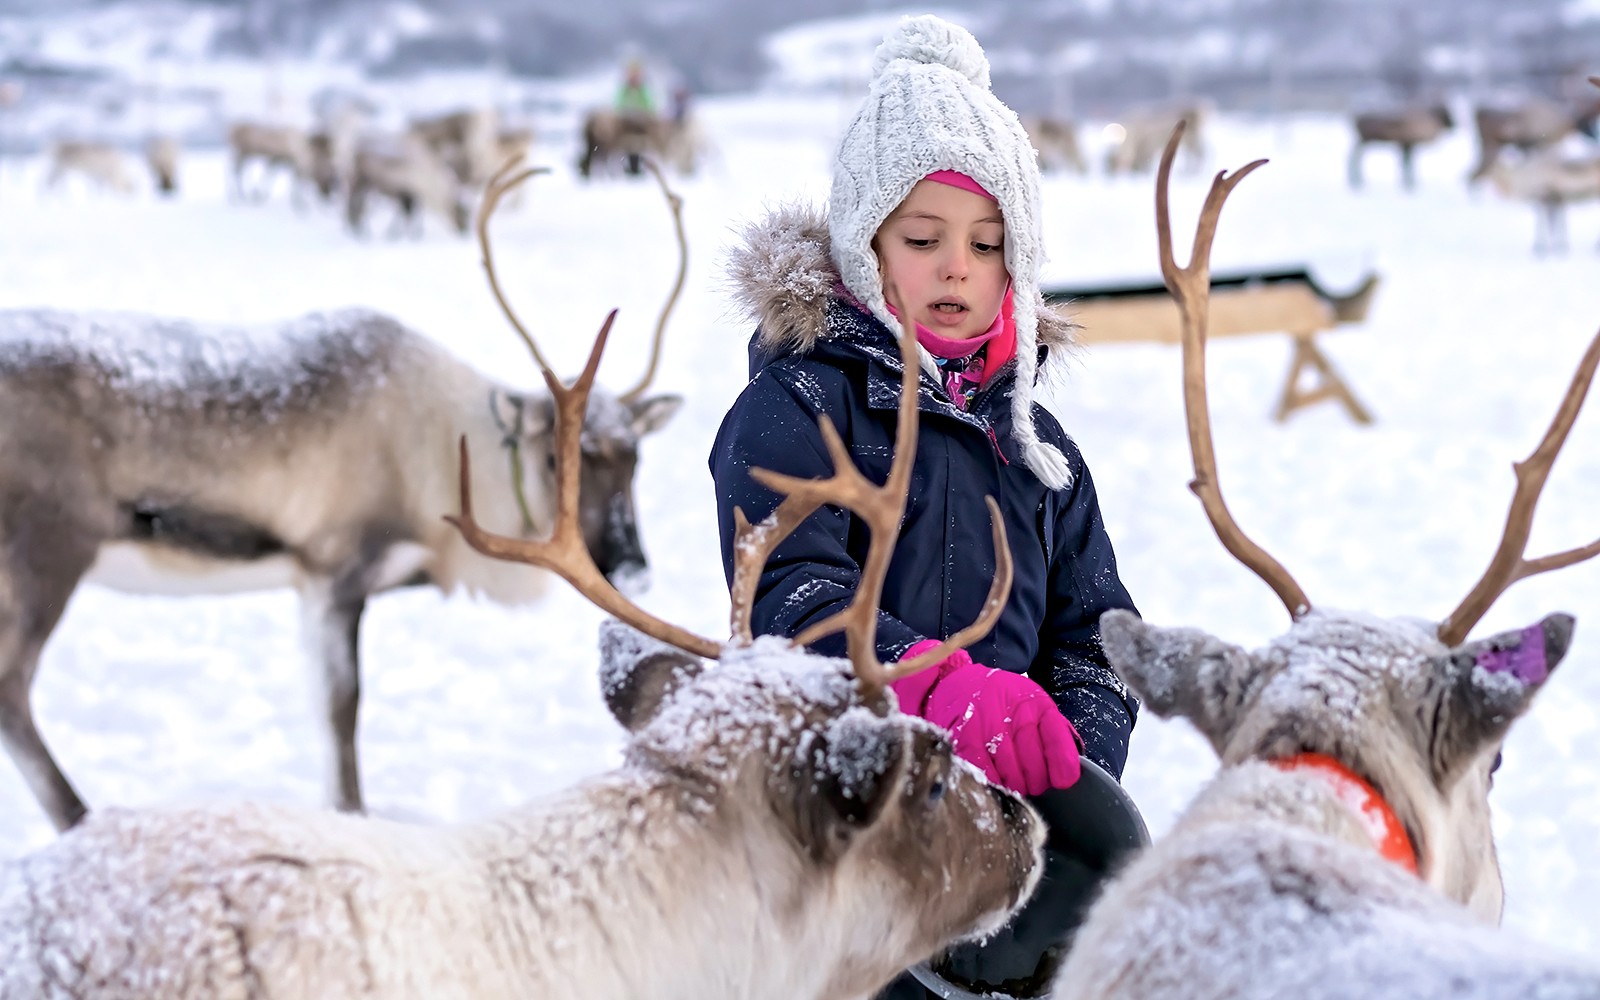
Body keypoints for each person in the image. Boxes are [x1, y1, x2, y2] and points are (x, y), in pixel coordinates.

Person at [709, 17, 1139, 995]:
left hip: (1006, 838)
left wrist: (1063, 755)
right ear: (865, 245)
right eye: (923, 237)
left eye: (988, 244)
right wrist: (941, 694)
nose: (956, 266)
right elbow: (787, 595)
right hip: (837, 827)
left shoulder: (1039, 450)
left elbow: (1097, 627)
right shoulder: (797, 410)